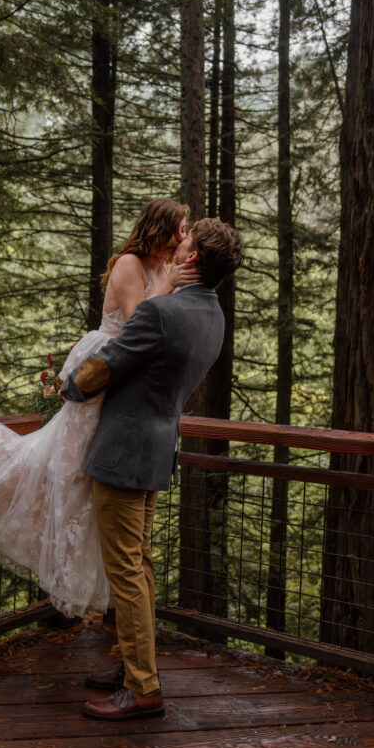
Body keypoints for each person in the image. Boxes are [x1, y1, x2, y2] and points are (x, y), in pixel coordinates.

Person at [0, 199, 200, 619]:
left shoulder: (165, 270)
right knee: (72, 469)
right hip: (105, 366)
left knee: (92, 479)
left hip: (131, 379)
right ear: (158, 228)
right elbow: (140, 318)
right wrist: (171, 283)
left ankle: (109, 606)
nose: (182, 238)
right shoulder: (129, 264)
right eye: (179, 229)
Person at [61, 218, 244, 721]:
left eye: (183, 242)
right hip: (160, 446)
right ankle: (131, 668)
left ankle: (143, 687)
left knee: (126, 570)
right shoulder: (213, 315)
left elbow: (106, 365)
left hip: (122, 451)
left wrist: (69, 385)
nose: (176, 243)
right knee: (137, 564)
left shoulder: (162, 312)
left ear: (189, 260)